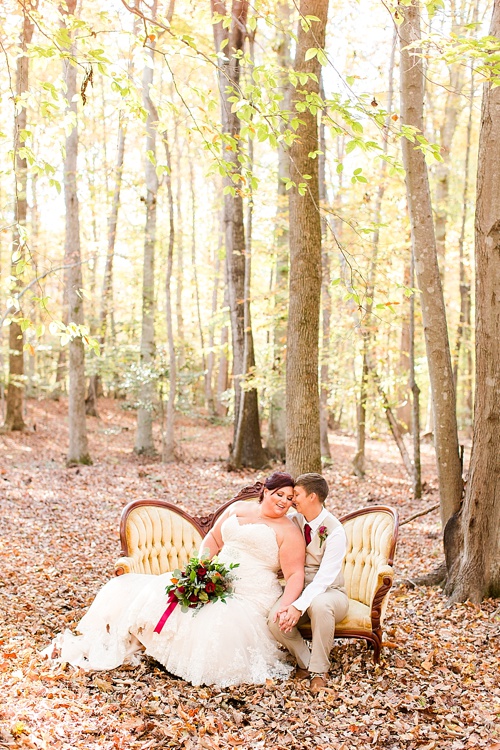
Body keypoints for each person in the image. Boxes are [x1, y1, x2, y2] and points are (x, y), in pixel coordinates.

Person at [44, 472, 305, 688]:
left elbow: (294, 574)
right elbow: (213, 540)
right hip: (211, 577)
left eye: (290, 498)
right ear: (265, 492)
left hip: (250, 592)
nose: (283, 501)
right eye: (278, 493)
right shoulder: (237, 508)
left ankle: (187, 661)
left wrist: (286, 604)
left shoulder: (288, 531)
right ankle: (141, 643)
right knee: (149, 591)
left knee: (219, 620)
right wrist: (200, 568)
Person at [267, 472, 349, 694]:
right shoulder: (296, 520)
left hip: (331, 592)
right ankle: (306, 662)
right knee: (275, 619)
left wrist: (297, 606)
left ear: (313, 497)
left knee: (321, 605)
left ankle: (320, 671)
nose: (293, 500)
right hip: (299, 588)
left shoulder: (335, 532)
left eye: (298, 495)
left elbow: (324, 579)